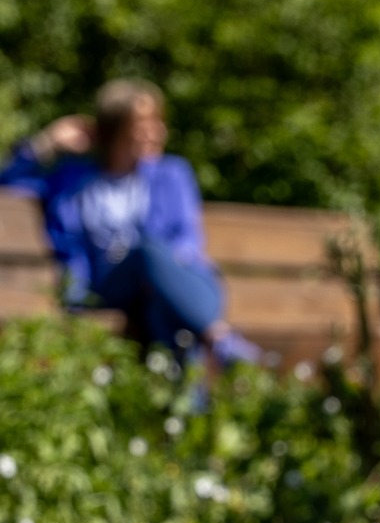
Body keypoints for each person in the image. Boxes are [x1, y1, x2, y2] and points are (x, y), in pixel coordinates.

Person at [0, 78, 260, 372]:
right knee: (145, 249)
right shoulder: (73, 179)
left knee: (164, 315)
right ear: (115, 129)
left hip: (170, 282)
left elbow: (188, 240)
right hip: (105, 285)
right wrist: (45, 143)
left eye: (158, 123)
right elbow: (8, 184)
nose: (157, 132)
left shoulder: (170, 175)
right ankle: (220, 339)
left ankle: (184, 412)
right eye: (143, 124)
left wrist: (163, 276)